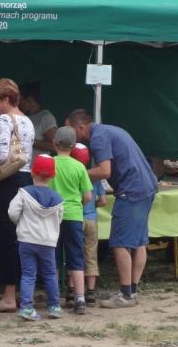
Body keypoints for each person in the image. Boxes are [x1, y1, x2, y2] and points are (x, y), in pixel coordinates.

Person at [65, 109, 158, 309]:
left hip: (131, 190)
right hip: (147, 186)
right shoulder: (109, 130)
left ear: (81, 127)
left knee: (120, 243)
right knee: (139, 241)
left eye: (71, 130)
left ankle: (125, 295)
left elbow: (104, 170)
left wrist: (76, 174)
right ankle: (131, 291)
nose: (70, 136)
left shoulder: (98, 137)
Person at [0, 78, 36, 313]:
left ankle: (8, 297)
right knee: (22, 238)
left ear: (6, 99)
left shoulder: (4, 119)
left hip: (8, 182)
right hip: (25, 179)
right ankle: (25, 293)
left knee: (5, 238)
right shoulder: (28, 120)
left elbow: (3, 155)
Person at [7, 154, 64, 321]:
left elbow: (12, 212)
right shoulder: (58, 198)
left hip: (26, 240)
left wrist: (20, 222)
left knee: (28, 274)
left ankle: (26, 308)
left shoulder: (24, 193)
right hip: (48, 242)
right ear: (53, 175)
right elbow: (59, 219)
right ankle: (54, 306)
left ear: (32, 172)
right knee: (50, 274)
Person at [50, 126, 93, 314]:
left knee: (54, 258)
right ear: (74, 145)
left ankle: (55, 298)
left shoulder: (50, 164)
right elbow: (88, 196)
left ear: (54, 143)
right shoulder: (79, 166)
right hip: (74, 216)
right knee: (76, 257)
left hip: (52, 216)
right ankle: (81, 299)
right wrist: (78, 204)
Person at [70, 142, 107, 306]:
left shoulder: (71, 175)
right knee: (91, 254)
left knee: (74, 253)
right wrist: (94, 206)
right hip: (91, 219)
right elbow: (104, 201)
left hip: (75, 218)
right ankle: (90, 291)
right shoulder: (95, 178)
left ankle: (71, 290)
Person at [19, 81, 58, 153]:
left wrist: (29, 141)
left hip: (37, 164)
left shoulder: (45, 117)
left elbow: (55, 146)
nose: (17, 104)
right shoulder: (20, 116)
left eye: (20, 101)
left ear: (29, 100)